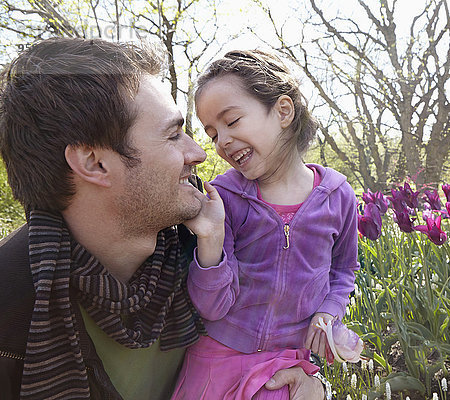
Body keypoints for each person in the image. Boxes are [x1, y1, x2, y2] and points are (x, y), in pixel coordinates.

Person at [0, 38, 325, 400]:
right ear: (95, 163)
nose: (200, 153)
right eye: (173, 135)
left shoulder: (210, 242)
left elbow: (284, 324)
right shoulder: (11, 311)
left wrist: (313, 384)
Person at [171, 50, 359, 399]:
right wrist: (210, 238)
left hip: (287, 365)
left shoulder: (337, 195)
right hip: (216, 363)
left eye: (232, 121)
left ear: (283, 111)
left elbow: (344, 269)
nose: (222, 142)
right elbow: (211, 307)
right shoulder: (224, 198)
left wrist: (328, 313)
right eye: (213, 134)